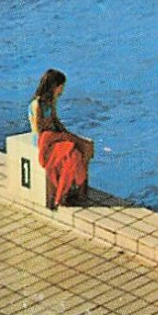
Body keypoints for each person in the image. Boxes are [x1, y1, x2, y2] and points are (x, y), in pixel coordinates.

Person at [29, 69, 92, 210]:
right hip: (44, 140)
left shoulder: (51, 101)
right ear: (54, 86)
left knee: (74, 155)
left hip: (53, 136)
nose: (62, 89)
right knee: (76, 148)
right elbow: (40, 129)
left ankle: (63, 195)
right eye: (61, 86)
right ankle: (67, 194)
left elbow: (55, 120)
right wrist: (61, 135)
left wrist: (65, 132)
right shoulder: (37, 104)